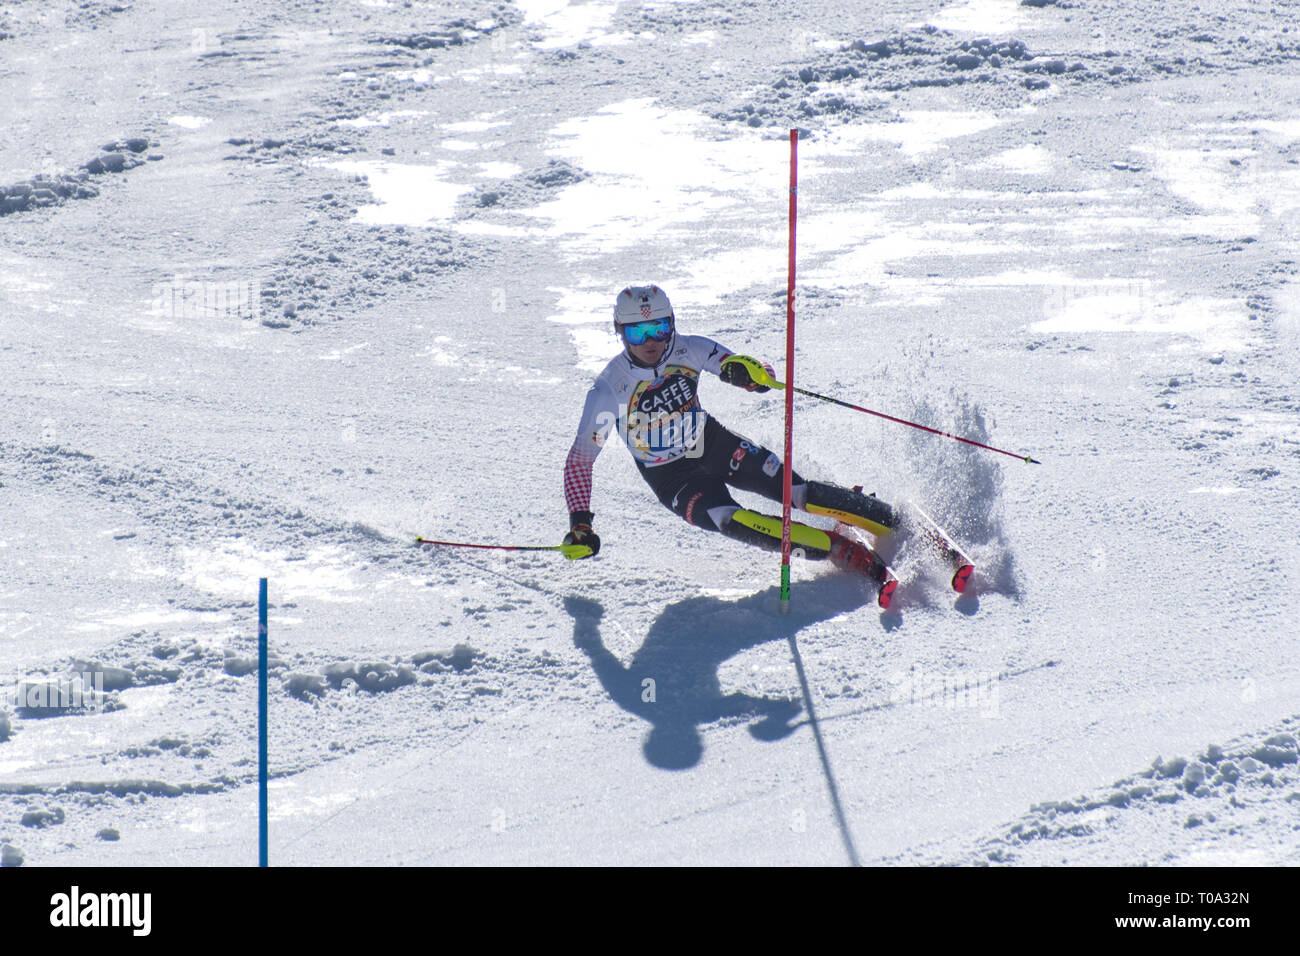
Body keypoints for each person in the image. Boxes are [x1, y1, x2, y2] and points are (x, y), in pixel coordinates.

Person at [561, 284, 898, 578]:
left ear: (671, 324)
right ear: (620, 331)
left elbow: (749, 369)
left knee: (794, 492)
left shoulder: (689, 348)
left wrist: (751, 375)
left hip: (711, 443)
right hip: (670, 477)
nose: (651, 341)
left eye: (659, 328)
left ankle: (883, 516)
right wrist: (581, 524)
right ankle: (836, 548)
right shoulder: (608, 390)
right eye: (638, 332)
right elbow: (580, 461)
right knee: (728, 518)